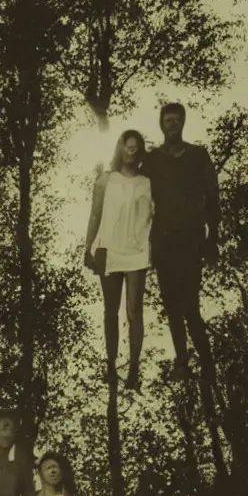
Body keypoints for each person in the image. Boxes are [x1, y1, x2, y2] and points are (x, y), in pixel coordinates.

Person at [144, 102, 220, 381]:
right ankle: (182, 363)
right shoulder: (152, 160)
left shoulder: (199, 155)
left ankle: (207, 362)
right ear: (161, 124)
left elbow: (213, 196)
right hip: (163, 240)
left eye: (177, 120)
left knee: (190, 305)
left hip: (191, 240)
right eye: (168, 120)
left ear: (183, 123)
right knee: (171, 304)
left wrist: (213, 237)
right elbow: (137, 193)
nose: (172, 124)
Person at [84, 129, 153, 391]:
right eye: (127, 146)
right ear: (120, 148)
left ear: (140, 151)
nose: (131, 151)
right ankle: (111, 365)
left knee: (134, 310)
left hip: (137, 251)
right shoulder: (106, 180)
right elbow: (94, 215)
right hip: (108, 249)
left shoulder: (148, 182)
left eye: (136, 147)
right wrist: (87, 247)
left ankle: (134, 366)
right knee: (110, 311)